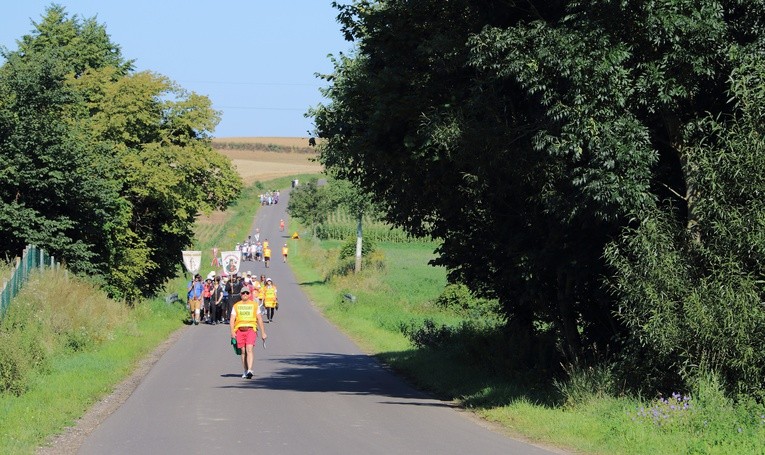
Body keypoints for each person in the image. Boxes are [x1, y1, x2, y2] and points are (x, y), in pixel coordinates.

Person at [230, 288, 267, 379]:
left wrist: (263, 332)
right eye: (243, 293)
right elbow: (232, 320)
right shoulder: (236, 306)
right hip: (239, 330)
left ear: (249, 294)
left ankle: (250, 370)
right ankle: (245, 370)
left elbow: (259, 319)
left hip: (251, 329)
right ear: (241, 294)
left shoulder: (254, 305)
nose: (245, 294)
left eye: (247, 293)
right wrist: (232, 332)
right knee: (243, 352)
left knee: (249, 349)